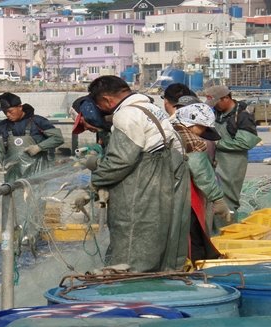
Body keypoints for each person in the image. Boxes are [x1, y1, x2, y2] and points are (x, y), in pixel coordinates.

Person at [85, 75, 186, 272]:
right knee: (154, 240)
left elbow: (121, 160)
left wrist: (96, 182)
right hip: (163, 182)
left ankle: (126, 290)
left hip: (139, 190)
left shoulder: (126, 114)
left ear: (106, 99)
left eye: (100, 105)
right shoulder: (153, 109)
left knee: (130, 239)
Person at [172, 102, 231, 262]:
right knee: (191, 234)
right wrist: (217, 198)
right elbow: (200, 170)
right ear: (190, 123)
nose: (204, 132)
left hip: (166, 194)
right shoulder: (190, 140)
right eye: (202, 127)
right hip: (181, 195)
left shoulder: (169, 131)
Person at [205, 85, 261, 219]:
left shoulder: (243, 116)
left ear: (225, 98)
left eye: (216, 102)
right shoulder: (217, 113)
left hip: (232, 165)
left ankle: (227, 230)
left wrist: (217, 143)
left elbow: (245, 143)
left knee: (228, 200)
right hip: (216, 163)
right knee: (214, 198)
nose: (214, 106)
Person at [0, 92, 64, 182]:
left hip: (37, 176)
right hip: (12, 177)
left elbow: (58, 138)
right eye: (5, 112)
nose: (7, 115)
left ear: (20, 107)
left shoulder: (38, 122)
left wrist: (39, 147)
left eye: (10, 111)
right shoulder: (2, 126)